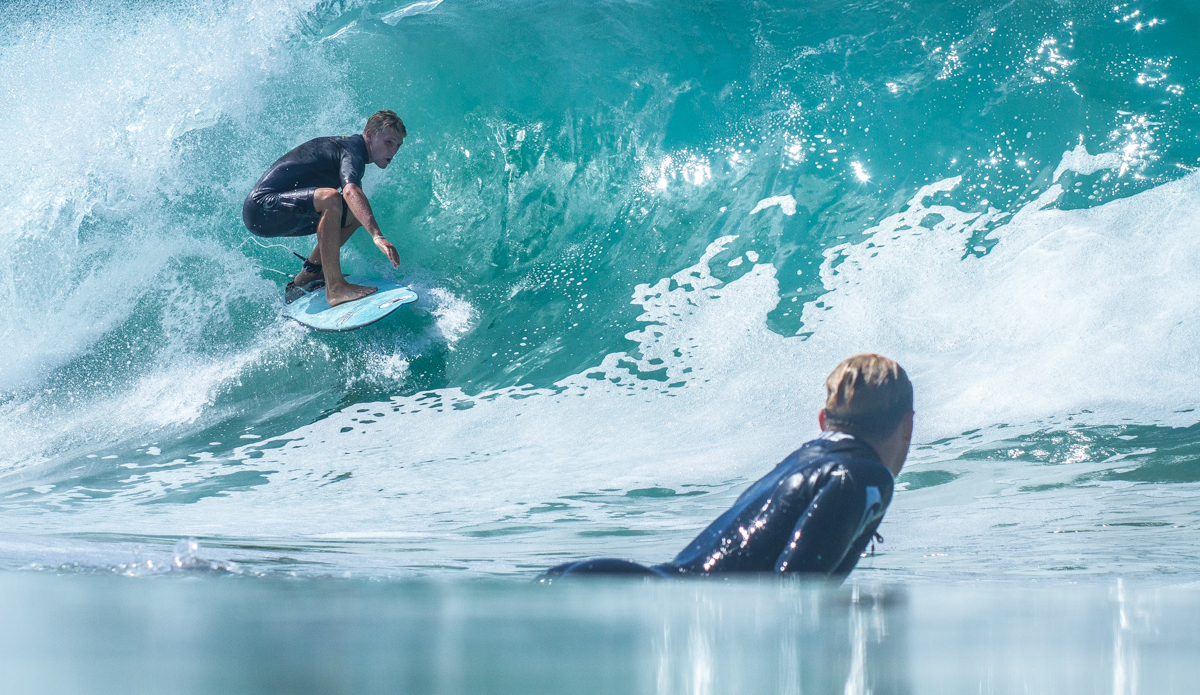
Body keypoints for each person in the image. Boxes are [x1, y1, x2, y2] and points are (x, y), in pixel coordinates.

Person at [542, 353, 914, 582]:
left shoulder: (801, 461)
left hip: (628, 583)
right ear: (907, 425)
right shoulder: (863, 476)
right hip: (677, 609)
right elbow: (795, 590)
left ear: (822, 420)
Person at [242, 110, 406, 306]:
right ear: (369, 135)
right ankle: (335, 287)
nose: (393, 151)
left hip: (278, 210)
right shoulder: (351, 151)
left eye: (398, 146)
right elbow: (351, 191)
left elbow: (354, 200)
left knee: (356, 213)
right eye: (388, 142)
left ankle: (308, 276)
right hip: (261, 209)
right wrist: (377, 237)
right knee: (330, 198)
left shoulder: (353, 152)